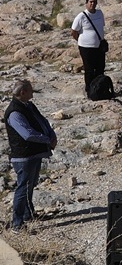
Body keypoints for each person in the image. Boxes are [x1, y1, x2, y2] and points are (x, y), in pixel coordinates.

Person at [5, 80, 57, 231]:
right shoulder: (15, 112)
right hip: (24, 156)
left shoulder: (28, 106)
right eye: (30, 91)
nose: (32, 93)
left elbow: (42, 121)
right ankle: (17, 224)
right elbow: (27, 134)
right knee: (23, 188)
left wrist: (51, 135)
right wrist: (47, 140)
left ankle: (29, 215)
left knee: (30, 185)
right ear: (23, 92)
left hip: (34, 153)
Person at [70, 0, 106, 95]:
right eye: (90, 2)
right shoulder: (81, 16)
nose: (92, 4)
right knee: (89, 69)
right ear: (86, 3)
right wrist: (81, 41)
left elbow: (101, 26)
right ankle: (90, 90)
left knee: (100, 68)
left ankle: (99, 88)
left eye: (94, 2)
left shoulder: (99, 13)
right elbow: (73, 32)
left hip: (99, 46)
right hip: (86, 47)